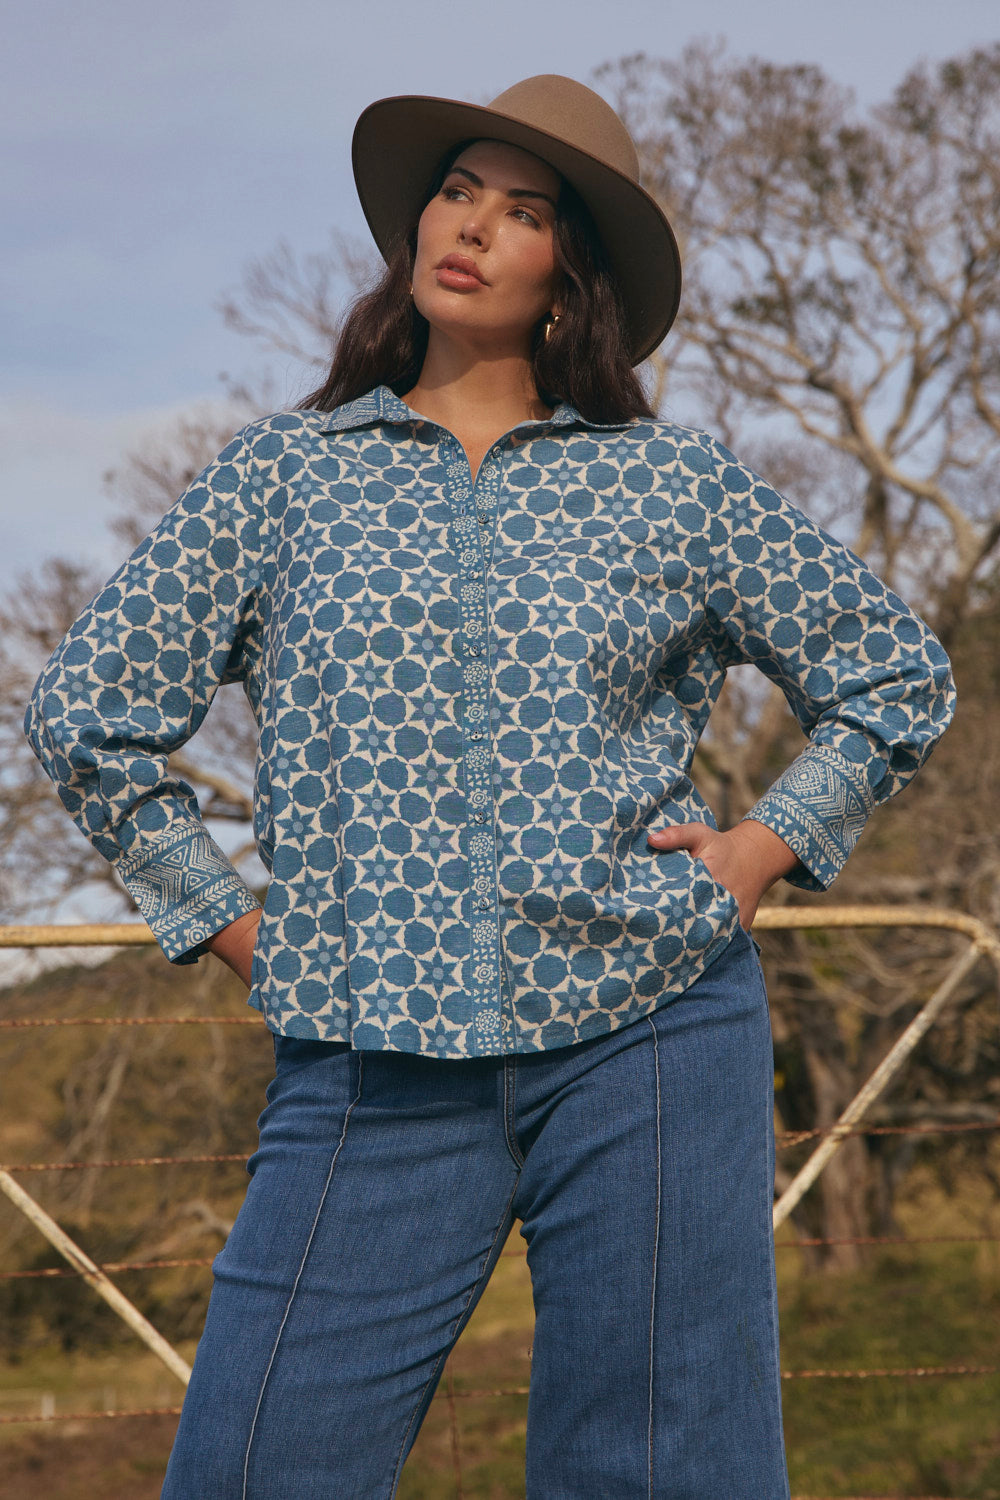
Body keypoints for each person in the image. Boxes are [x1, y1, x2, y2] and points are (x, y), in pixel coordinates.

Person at [25, 74, 955, 1500]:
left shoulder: (669, 483)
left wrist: (764, 848)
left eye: (523, 212)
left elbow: (894, 672)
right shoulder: (284, 477)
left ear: (569, 274)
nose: (470, 226)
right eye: (457, 191)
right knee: (255, 1468)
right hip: (365, 1055)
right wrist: (230, 923)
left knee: (664, 1474)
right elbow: (88, 714)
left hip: (650, 1030)